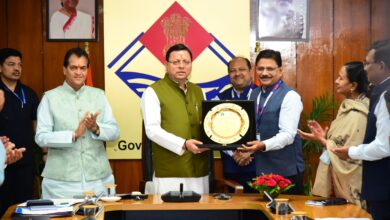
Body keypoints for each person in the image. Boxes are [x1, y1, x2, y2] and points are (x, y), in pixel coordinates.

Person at [35, 47, 119, 198]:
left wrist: (96, 128)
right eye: (73, 67)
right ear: (64, 69)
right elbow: (41, 137)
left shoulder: (99, 95)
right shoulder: (50, 97)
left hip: (98, 179)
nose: (79, 72)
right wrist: (73, 135)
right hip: (61, 183)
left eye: (83, 68)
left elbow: (114, 131)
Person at [332, 40, 390, 220]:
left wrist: (351, 151)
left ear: (381, 65)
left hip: (383, 185)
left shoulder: (385, 95)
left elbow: (383, 146)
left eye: (367, 63)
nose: (364, 69)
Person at [141, 43, 210, 195]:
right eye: (176, 62)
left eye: (186, 62)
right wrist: (183, 144)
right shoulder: (153, 91)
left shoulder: (199, 91)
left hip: (200, 170)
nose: (181, 66)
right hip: (170, 172)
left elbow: (206, 125)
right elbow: (152, 130)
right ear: (166, 65)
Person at [298, 62, 369, 207]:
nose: (336, 81)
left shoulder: (358, 114)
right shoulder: (349, 106)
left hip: (352, 184)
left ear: (353, 85)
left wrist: (324, 141)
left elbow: (352, 153)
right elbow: (340, 142)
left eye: (341, 78)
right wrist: (323, 138)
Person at [238, 49, 305, 195]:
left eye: (270, 69)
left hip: (286, 173)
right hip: (261, 171)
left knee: (284, 216)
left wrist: (261, 145)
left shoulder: (290, 96)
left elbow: (288, 135)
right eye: (260, 69)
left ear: (280, 71)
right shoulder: (253, 93)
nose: (264, 73)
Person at [0, 48, 39, 216]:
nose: (17, 68)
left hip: (25, 161)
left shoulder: (28, 93)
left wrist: (44, 154)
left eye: (19, 65)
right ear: (0, 67)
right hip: (2, 162)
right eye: (11, 64)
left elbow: (37, 125)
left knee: (24, 210)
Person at [215, 57, 257, 193]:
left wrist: (250, 151)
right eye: (233, 71)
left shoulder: (263, 95)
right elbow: (215, 132)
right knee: (234, 211)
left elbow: (268, 129)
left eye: (242, 69)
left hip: (259, 165)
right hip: (232, 166)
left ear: (251, 71)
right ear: (229, 75)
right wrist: (234, 153)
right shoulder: (219, 99)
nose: (237, 73)